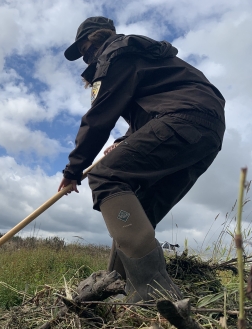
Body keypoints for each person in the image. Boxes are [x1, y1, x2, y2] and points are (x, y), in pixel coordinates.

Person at [58, 16, 225, 302]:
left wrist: (74, 170)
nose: (85, 58)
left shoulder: (115, 53)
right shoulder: (140, 56)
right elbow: (154, 104)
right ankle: (118, 288)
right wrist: (127, 140)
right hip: (205, 131)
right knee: (141, 208)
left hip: (183, 120)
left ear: (97, 38)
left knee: (105, 176)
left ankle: (153, 291)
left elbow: (99, 117)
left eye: (85, 49)